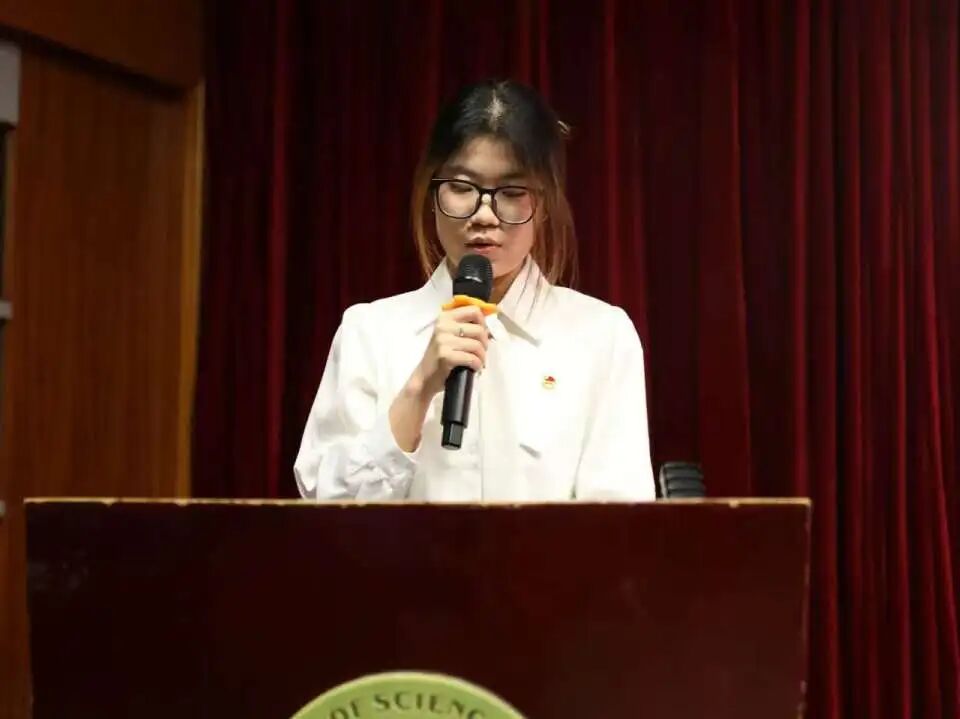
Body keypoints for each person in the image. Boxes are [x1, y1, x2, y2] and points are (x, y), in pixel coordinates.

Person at [295, 79, 655, 502]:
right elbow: (325, 510)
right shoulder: (369, 333)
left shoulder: (601, 335)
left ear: (545, 203)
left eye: (512, 192)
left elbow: (618, 519)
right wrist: (420, 387)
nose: (484, 214)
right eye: (463, 188)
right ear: (432, 192)